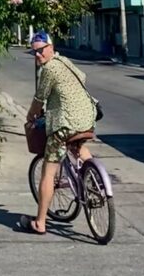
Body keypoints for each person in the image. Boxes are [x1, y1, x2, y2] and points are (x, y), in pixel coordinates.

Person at [18, 31, 97, 235]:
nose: (38, 55)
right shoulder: (65, 61)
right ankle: (94, 184)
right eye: (34, 52)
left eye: (41, 50)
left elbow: (38, 100)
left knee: (48, 171)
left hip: (65, 124)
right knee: (78, 147)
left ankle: (40, 222)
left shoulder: (49, 69)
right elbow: (83, 77)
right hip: (87, 118)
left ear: (50, 47)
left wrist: (29, 118)